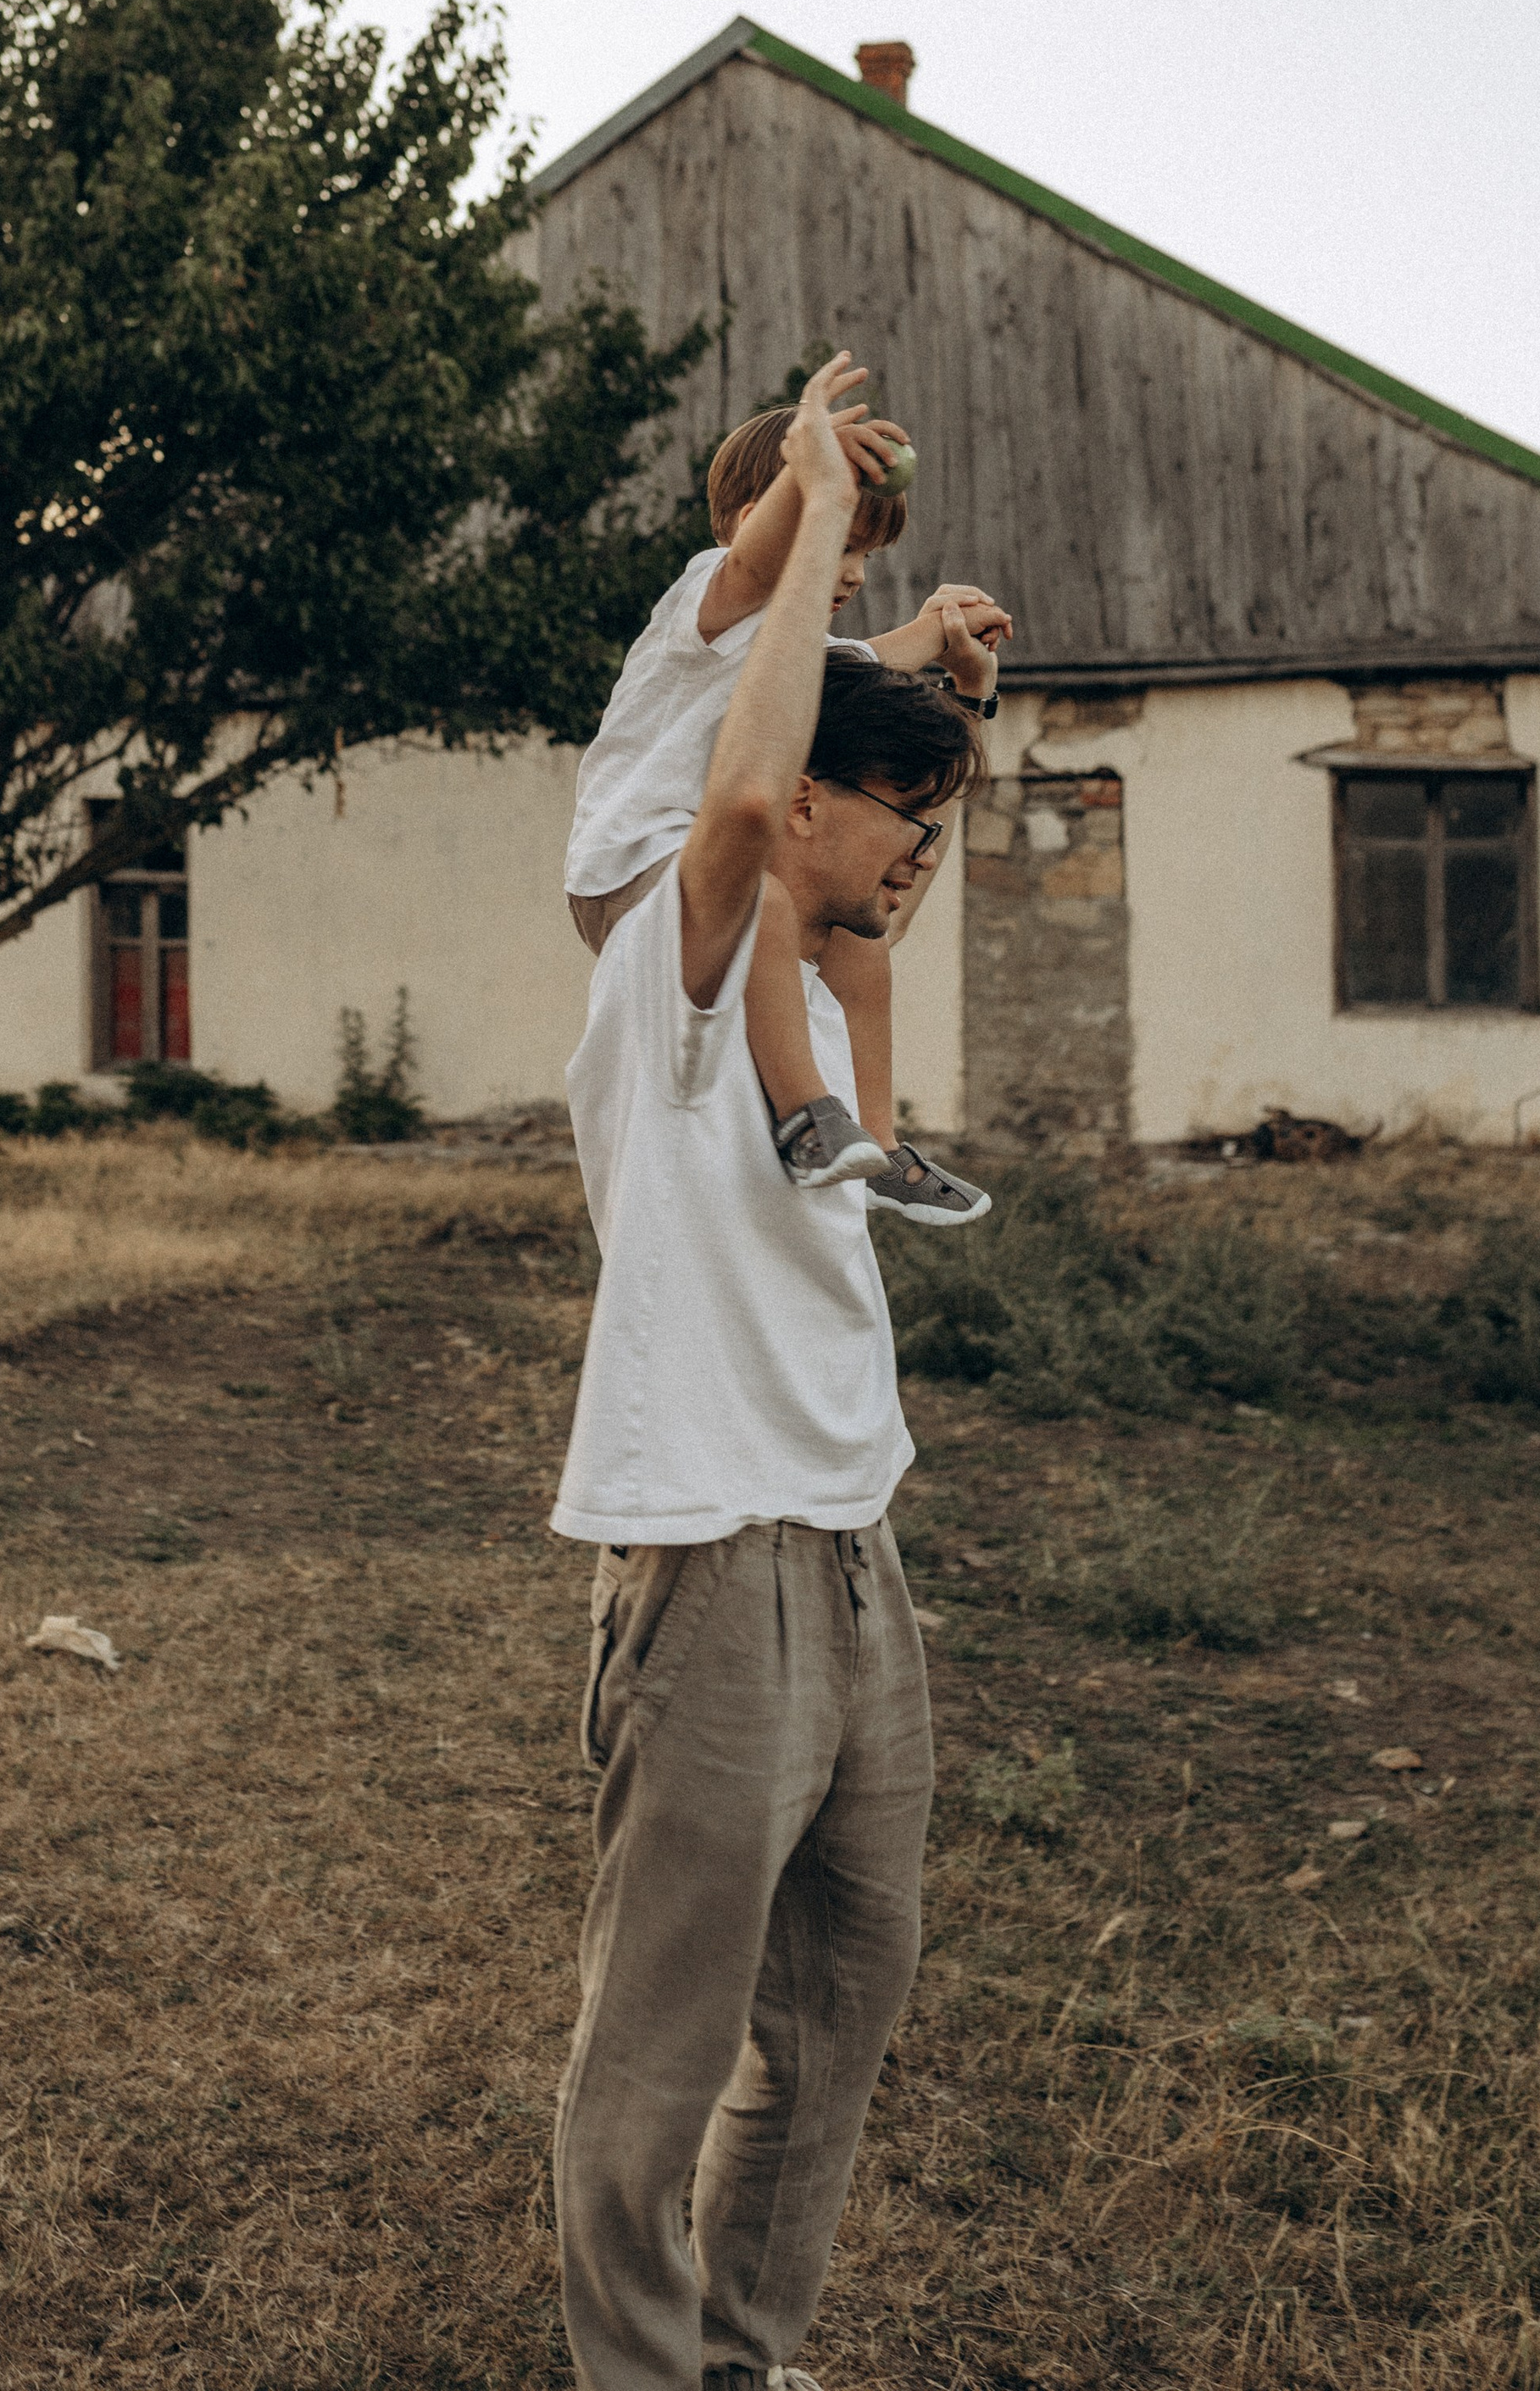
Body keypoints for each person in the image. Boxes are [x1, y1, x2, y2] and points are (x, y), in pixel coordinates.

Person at [549, 360, 984, 2391]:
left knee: (842, 2001)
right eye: (888, 816)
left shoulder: (809, 955)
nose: (914, 854)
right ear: (797, 792)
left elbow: (848, 793)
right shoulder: (677, 953)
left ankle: (741, 2359)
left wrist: (941, 683)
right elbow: (738, 787)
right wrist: (808, 486)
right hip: (712, 1553)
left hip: (847, 1539)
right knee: (658, 2060)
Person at [566, 351, 1008, 1219]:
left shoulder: (804, 652)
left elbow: (878, 659)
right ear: (754, 522)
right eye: (841, 544)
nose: (854, 573)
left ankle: (878, 1142)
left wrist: (947, 632)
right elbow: (754, 564)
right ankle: (809, 1115)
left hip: (712, 874)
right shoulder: (705, 609)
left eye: (866, 554)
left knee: (860, 941)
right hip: (628, 871)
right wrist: (814, 476)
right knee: (763, 899)